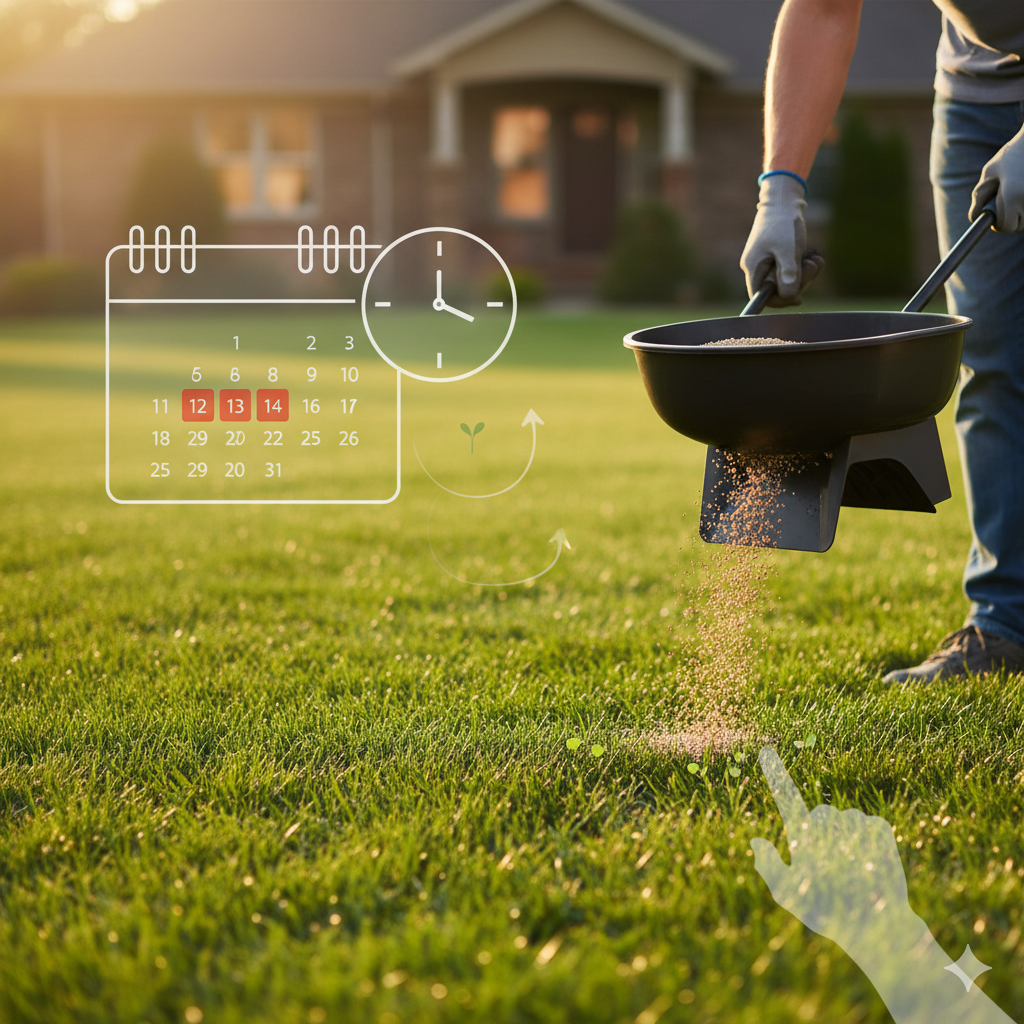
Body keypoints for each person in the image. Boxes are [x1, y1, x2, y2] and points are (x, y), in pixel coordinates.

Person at [740, 0, 1024, 683]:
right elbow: (823, 8)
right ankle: (1005, 625)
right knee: (990, 360)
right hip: (979, 88)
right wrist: (779, 194)